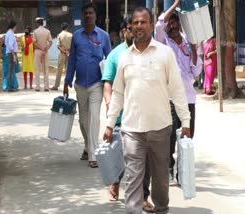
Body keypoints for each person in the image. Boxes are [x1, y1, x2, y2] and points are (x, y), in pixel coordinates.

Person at [103, 7, 191, 214]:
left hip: (160, 128)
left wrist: (185, 122)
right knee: (133, 178)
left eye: (144, 22)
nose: (139, 26)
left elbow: (178, 90)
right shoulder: (124, 57)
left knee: (161, 179)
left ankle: (161, 209)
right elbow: (117, 94)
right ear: (130, 27)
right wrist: (109, 123)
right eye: (136, 23)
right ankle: (133, 210)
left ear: (151, 26)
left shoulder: (165, 53)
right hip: (132, 129)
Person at [102, 16, 154, 212]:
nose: (136, 31)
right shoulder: (116, 55)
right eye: (132, 28)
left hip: (145, 115)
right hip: (122, 116)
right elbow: (107, 82)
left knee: (144, 157)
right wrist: (109, 104)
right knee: (124, 156)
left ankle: (143, 197)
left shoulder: (151, 52)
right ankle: (115, 180)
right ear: (125, 31)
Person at [154, 0, 202, 182]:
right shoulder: (162, 42)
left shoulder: (189, 42)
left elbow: (196, 72)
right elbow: (159, 23)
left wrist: (195, 50)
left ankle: (182, 173)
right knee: (171, 139)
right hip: (170, 99)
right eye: (170, 22)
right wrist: (175, 4)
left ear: (180, 24)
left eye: (175, 22)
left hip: (189, 99)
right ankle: (169, 167)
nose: (172, 25)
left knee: (187, 138)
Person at [64, 2, 111, 168]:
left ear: (95, 16)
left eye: (91, 13)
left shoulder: (103, 36)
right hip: (80, 84)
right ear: (82, 16)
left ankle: (93, 154)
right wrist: (67, 80)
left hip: (97, 84)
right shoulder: (76, 36)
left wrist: (110, 82)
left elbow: (110, 59)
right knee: (83, 120)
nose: (88, 16)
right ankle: (87, 146)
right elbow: (71, 61)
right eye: (86, 13)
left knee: (94, 118)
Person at [50, 22, 72, 91]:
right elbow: (73, 46)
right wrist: (68, 51)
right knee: (68, 70)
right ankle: (67, 85)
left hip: (62, 54)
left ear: (61, 28)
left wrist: (64, 51)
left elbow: (58, 46)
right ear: (67, 27)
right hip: (69, 54)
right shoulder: (71, 35)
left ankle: (56, 86)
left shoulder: (59, 35)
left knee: (59, 70)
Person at [33, 17, 52, 92]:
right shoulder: (47, 31)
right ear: (42, 23)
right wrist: (45, 49)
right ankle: (46, 87)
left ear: (37, 23)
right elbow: (50, 42)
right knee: (45, 69)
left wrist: (40, 48)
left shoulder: (35, 31)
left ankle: (37, 87)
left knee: (37, 68)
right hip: (45, 51)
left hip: (38, 51)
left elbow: (34, 42)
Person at [5, 20, 19, 92]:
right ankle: (10, 87)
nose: (16, 28)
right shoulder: (10, 34)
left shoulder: (9, 33)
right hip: (11, 53)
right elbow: (10, 46)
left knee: (11, 70)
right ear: (14, 26)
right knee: (11, 71)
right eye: (16, 26)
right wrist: (14, 55)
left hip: (10, 53)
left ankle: (10, 86)